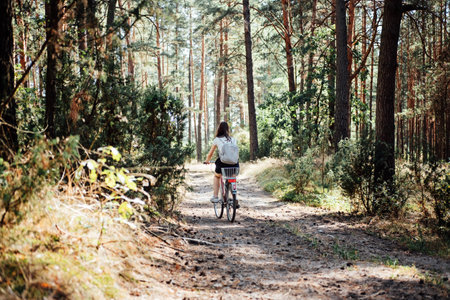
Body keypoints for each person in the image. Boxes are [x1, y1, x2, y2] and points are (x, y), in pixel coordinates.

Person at [204, 121, 239, 205]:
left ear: (219, 129)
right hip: (235, 164)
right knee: (232, 178)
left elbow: (210, 153)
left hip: (222, 163)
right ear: (228, 129)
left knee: (217, 176)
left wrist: (207, 161)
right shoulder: (233, 139)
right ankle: (234, 197)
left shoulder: (217, 139)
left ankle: (215, 196)